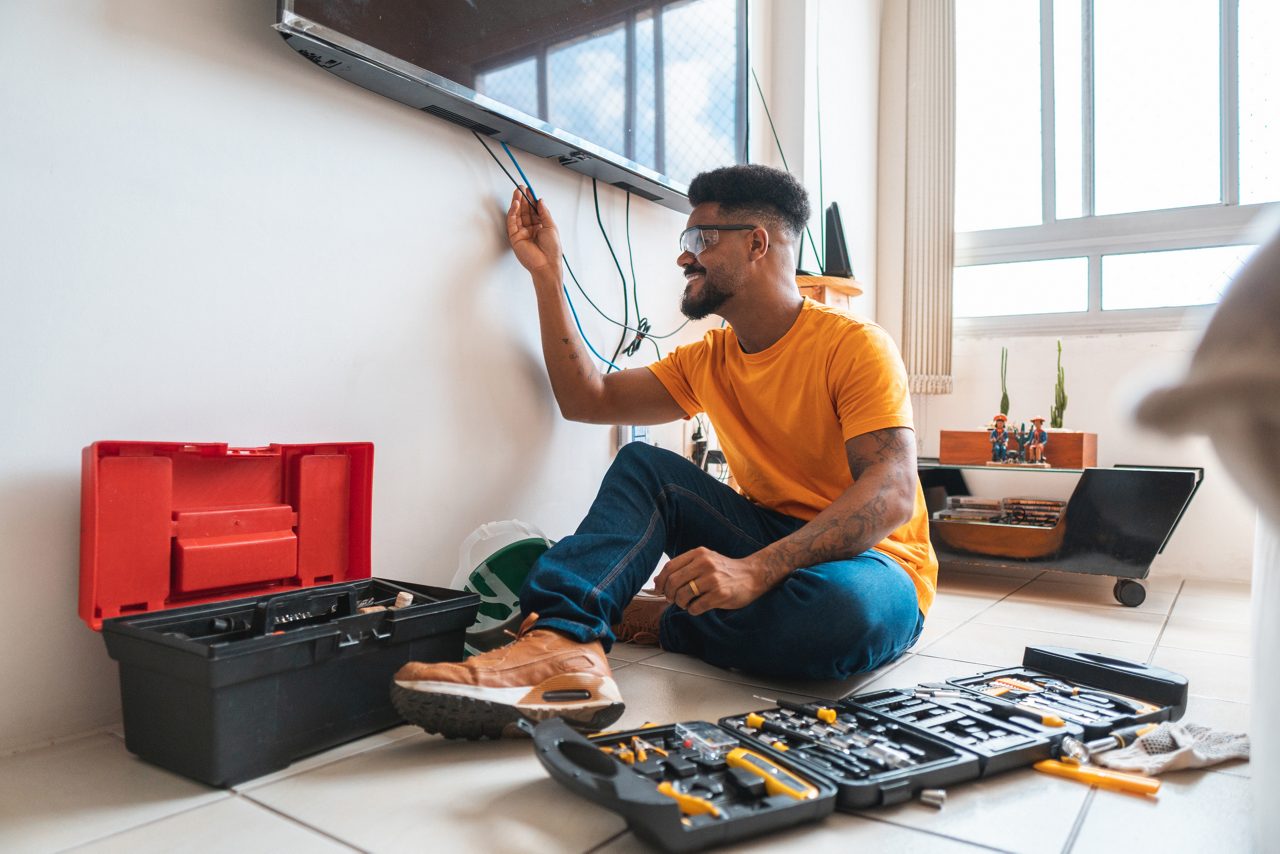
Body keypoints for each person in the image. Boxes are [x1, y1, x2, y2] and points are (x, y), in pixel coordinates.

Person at [391, 164, 938, 739]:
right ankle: (562, 642)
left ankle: (656, 620)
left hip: (877, 563)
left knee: (838, 617)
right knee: (644, 468)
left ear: (758, 243)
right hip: (770, 535)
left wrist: (754, 571)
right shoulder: (708, 360)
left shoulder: (854, 346)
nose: (684, 258)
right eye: (686, 242)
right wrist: (548, 275)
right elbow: (589, 397)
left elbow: (892, 493)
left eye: (700, 240)